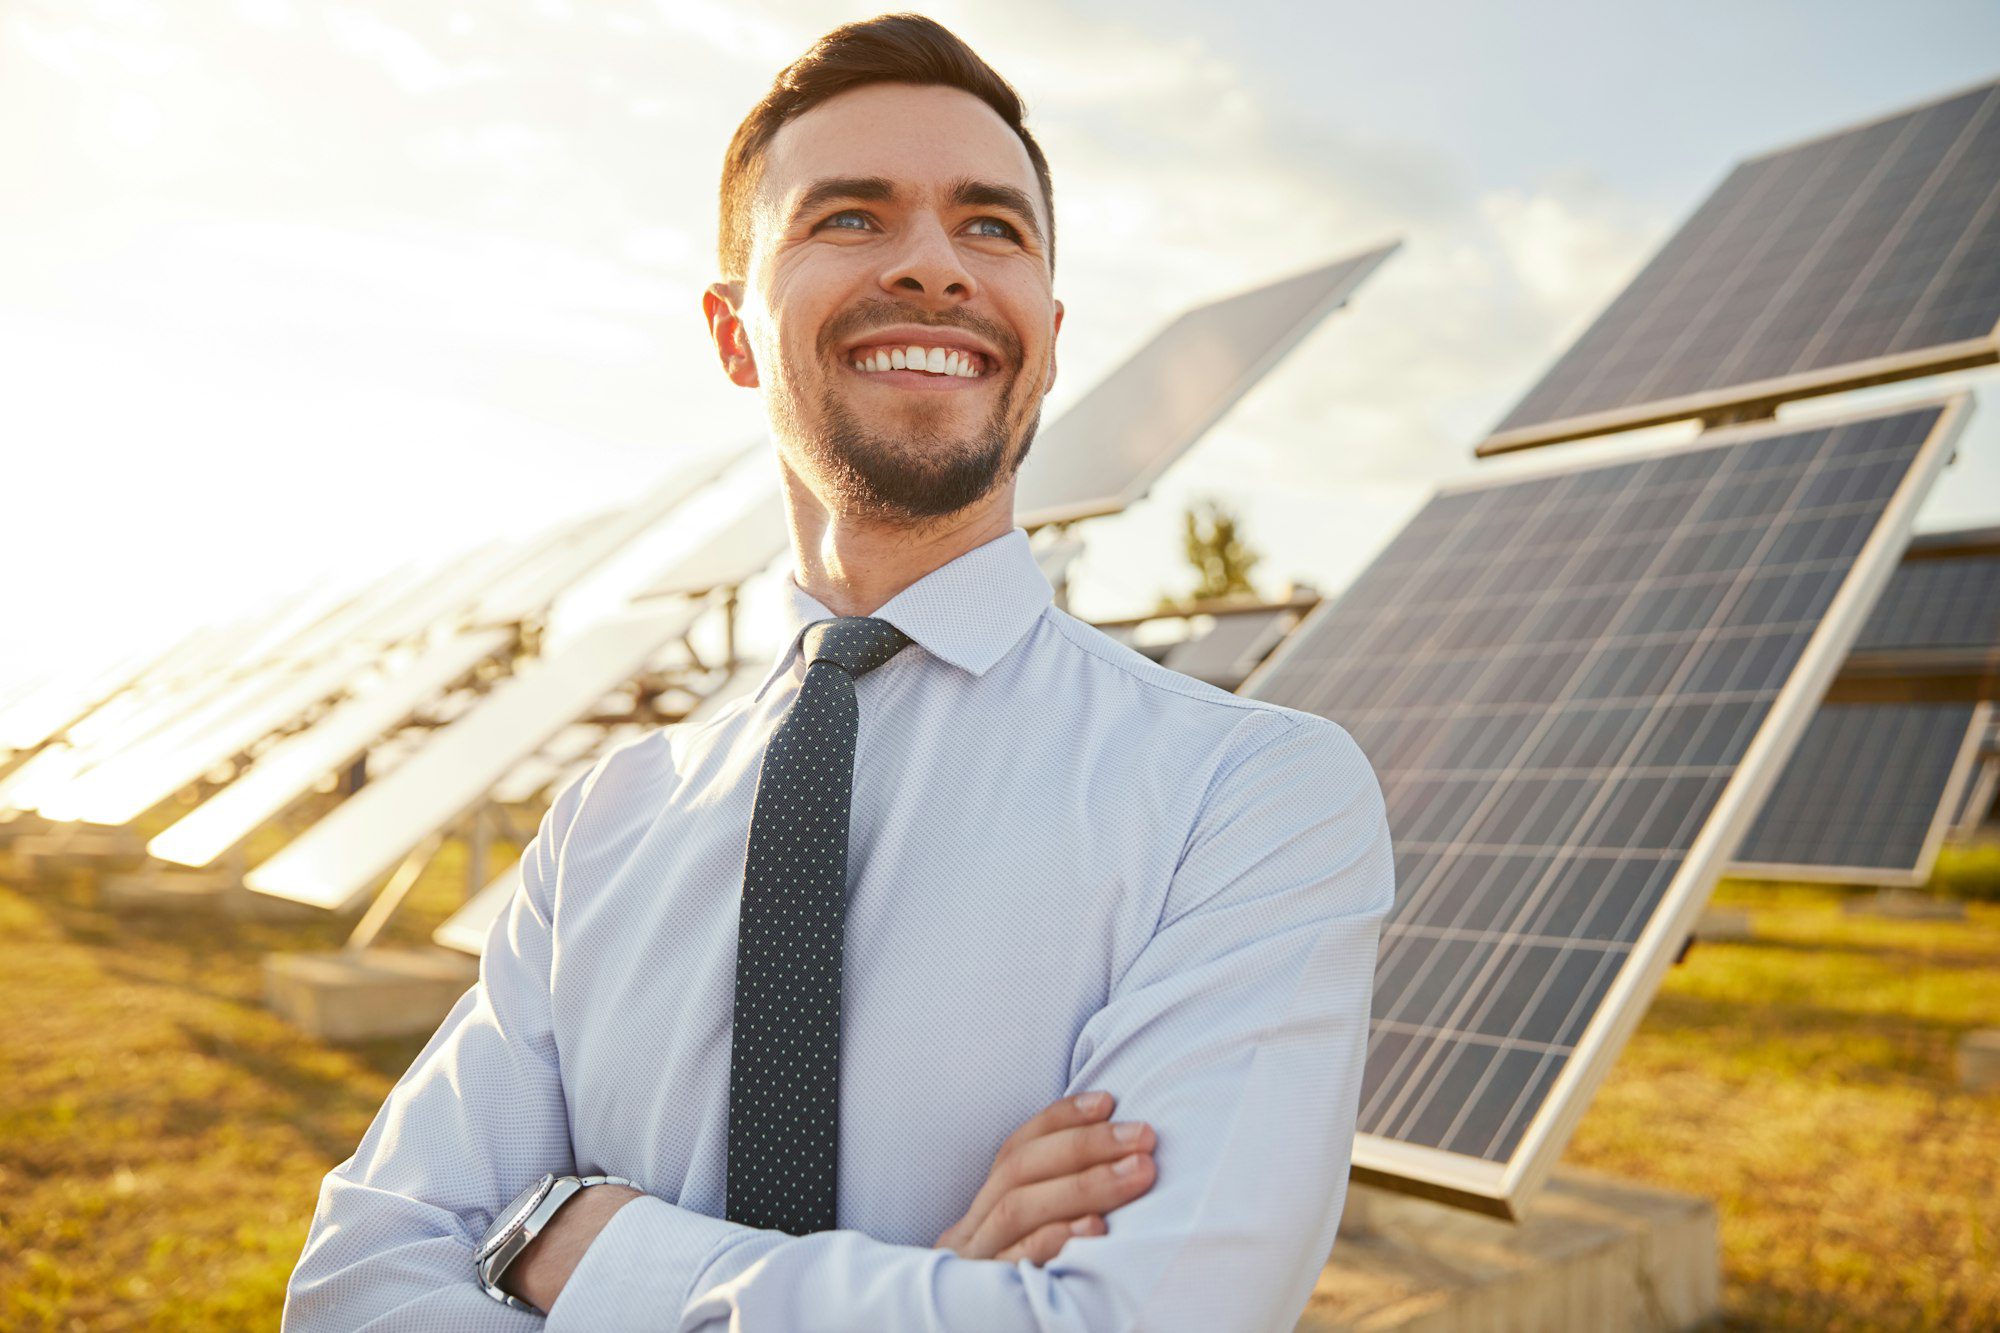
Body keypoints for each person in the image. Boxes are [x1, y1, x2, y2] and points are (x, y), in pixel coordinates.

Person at [283, 13, 1393, 1331]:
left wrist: (591, 1251)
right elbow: (358, 1277)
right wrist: (942, 1286)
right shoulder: (605, 824)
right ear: (733, 333)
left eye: (992, 227)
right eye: (851, 218)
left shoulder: (1249, 795)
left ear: (1047, 326)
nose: (935, 266)